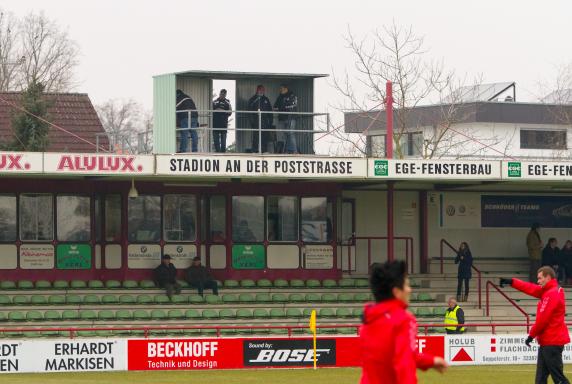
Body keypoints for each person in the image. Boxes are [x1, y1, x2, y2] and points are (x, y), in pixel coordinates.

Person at [359, 260, 447, 384]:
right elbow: (404, 363)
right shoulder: (403, 319)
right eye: (406, 285)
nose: (410, 290)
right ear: (396, 292)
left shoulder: (368, 319)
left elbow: (393, 355)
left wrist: (431, 361)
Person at [500, 267, 570, 384]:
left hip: (552, 342)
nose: (538, 281)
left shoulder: (552, 293)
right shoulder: (548, 290)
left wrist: (531, 335)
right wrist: (512, 282)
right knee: (540, 379)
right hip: (547, 342)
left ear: (548, 277)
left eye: (540, 278)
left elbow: (543, 319)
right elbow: (530, 288)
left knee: (558, 379)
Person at [248, 85, 274, 153]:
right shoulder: (253, 99)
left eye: (263, 90)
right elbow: (249, 111)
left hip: (265, 120)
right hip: (256, 120)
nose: (262, 91)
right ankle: (255, 150)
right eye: (261, 90)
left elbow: (270, 111)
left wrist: (271, 121)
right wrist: (252, 121)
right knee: (256, 136)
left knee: (265, 136)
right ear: (257, 90)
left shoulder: (266, 99)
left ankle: (264, 150)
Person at [273, 84, 298, 154]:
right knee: (283, 135)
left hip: (290, 117)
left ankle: (294, 150)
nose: (280, 90)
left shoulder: (292, 95)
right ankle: (286, 150)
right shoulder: (280, 97)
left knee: (290, 133)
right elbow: (275, 107)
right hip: (281, 118)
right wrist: (283, 107)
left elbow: (291, 106)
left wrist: (282, 107)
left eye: (282, 89)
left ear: (286, 88)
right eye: (280, 89)